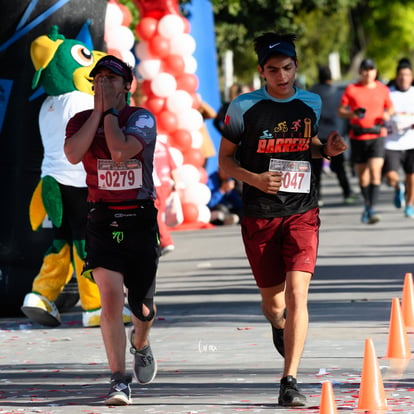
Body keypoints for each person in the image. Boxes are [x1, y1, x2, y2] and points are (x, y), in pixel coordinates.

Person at [218, 32, 347, 407]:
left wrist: (329, 150)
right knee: (275, 305)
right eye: (273, 70)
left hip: (302, 212)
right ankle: (279, 325)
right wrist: (255, 179)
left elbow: (308, 145)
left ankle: (289, 379)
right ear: (261, 72)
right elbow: (226, 161)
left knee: (297, 294)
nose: (282, 76)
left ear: (296, 67)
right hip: (259, 216)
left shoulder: (310, 102)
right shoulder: (243, 107)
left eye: (288, 68)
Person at [64, 55, 159, 406]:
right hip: (102, 219)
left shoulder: (142, 118)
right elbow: (73, 154)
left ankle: (141, 342)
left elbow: (120, 151)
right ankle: (119, 379)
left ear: (127, 85)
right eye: (98, 79)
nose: (103, 84)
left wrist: (108, 114)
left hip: (139, 219)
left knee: (142, 309)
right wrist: (97, 112)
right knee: (110, 299)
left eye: (112, 79)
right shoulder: (78, 121)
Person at [338, 58, 393, 224]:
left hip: (377, 135)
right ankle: (368, 205)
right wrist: (352, 114)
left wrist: (387, 114)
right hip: (358, 136)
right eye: (365, 70)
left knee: (375, 171)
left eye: (371, 69)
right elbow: (341, 111)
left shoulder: (382, 89)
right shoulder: (352, 89)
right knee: (363, 177)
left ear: (375, 72)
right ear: (360, 72)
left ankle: (371, 208)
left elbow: (390, 107)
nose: (368, 73)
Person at [309, 66, 356, 206]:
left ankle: (317, 197)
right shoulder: (338, 93)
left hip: (316, 134)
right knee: (339, 167)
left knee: (316, 169)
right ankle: (347, 193)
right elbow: (345, 115)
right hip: (334, 135)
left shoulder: (312, 93)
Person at [383, 59, 414, 218]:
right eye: (401, 75)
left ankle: (409, 205)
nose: (404, 78)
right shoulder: (388, 93)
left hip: (411, 142)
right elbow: (381, 112)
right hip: (391, 142)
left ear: (411, 77)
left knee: (412, 176)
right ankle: (398, 187)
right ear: (396, 77)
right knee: (390, 175)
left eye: (407, 75)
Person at [153, 135, 178, 254]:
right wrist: (176, 183)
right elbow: (173, 166)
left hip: (154, 183)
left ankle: (166, 242)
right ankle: (159, 243)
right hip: (165, 183)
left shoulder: (145, 142)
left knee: (155, 215)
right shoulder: (163, 144)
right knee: (158, 214)